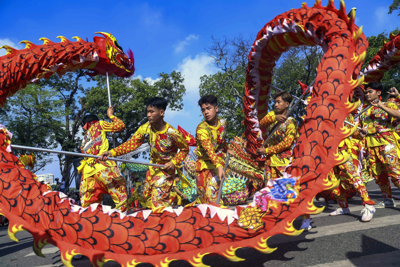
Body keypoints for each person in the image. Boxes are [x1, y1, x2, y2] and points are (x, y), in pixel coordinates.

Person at [100, 97, 189, 212]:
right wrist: (111, 152)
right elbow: (131, 144)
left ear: (161, 112)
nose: (148, 115)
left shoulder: (172, 133)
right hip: (151, 170)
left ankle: (164, 226)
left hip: (165, 171)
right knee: (146, 200)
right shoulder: (145, 128)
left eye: (152, 112)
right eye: (147, 112)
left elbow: (184, 149)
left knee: (159, 203)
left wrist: (173, 162)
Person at [256, 92, 302, 227]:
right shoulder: (273, 118)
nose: (276, 104)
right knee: (270, 191)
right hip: (270, 163)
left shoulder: (291, 122)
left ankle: (304, 217)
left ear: (287, 104)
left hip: (284, 163)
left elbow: (287, 143)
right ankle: (275, 218)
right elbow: (262, 123)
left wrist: (267, 150)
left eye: (279, 102)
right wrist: (274, 117)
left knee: (289, 192)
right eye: (275, 102)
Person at [356, 82, 400, 208]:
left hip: (386, 145)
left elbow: (398, 115)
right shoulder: (364, 110)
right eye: (366, 92)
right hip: (371, 147)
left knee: (396, 174)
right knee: (379, 176)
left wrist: (381, 106)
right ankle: (387, 199)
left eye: (370, 92)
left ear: (378, 93)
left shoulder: (388, 104)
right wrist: (362, 133)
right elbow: (361, 129)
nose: (367, 94)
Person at [78, 106, 128, 212]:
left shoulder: (83, 141)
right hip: (103, 166)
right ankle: (123, 222)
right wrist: (110, 115)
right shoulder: (99, 124)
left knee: (89, 209)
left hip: (87, 174)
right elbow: (121, 126)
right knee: (121, 199)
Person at [329, 112, 375, 222]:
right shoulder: (320, 112)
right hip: (327, 151)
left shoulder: (344, 112)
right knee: (334, 180)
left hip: (343, 150)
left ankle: (369, 205)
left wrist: (359, 135)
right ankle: (344, 207)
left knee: (353, 176)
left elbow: (352, 132)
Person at [195, 95, 227, 204]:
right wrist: (218, 166)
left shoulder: (223, 123)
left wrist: (227, 150)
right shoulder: (201, 128)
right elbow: (209, 149)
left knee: (216, 198)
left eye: (208, 108)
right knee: (206, 200)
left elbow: (221, 139)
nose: (206, 112)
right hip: (204, 167)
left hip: (217, 165)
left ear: (216, 108)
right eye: (203, 110)